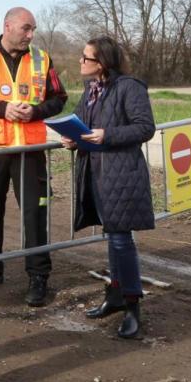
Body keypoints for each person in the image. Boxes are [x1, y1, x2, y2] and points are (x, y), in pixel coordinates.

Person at [0, 7, 67, 306]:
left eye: (33, 30)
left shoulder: (42, 59)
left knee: (34, 212)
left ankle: (38, 275)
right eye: (26, 29)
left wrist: (36, 111)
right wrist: (1, 108)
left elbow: (59, 98)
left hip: (30, 150)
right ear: (8, 26)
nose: (30, 35)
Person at [61, 36, 155, 339]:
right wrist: (71, 139)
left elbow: (145, 127)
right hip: (94, 173)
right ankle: (115, 296)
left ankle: (132, 305)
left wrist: (107, 135)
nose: (80, 62)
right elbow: (80, 124)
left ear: (102, 62)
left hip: (121, 174)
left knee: (120, 240)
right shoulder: (90, 90)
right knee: (112, 236)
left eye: (86, 58)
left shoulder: (130, 87)